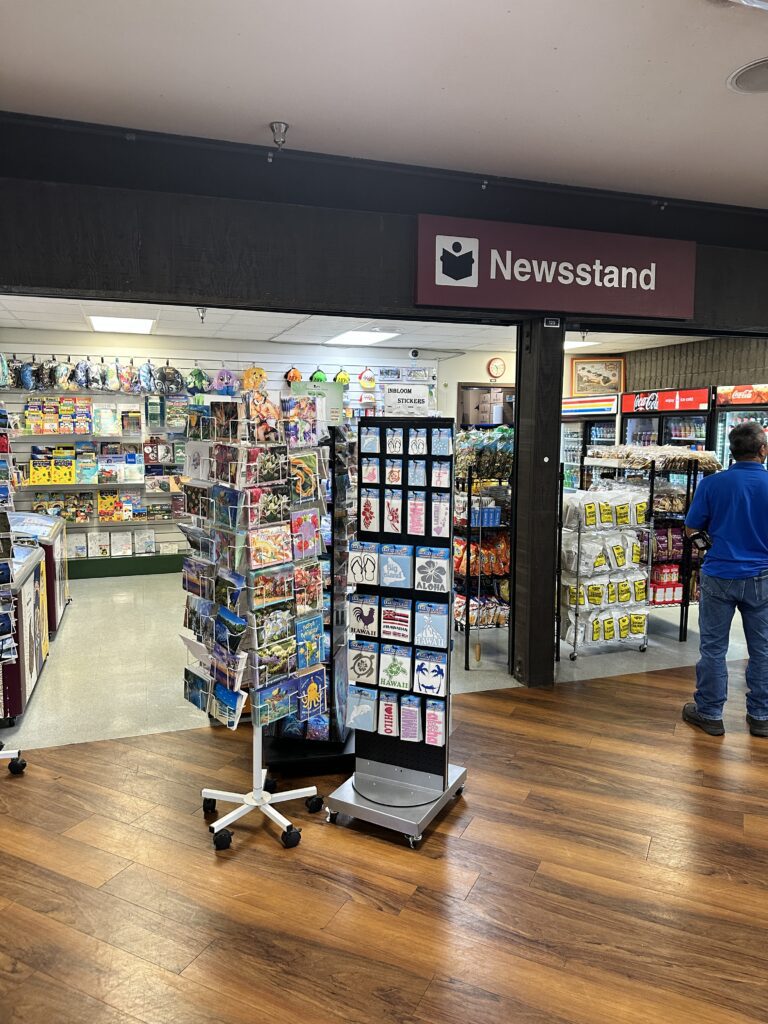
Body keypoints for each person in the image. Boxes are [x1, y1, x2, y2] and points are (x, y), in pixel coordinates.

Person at [682, 421, 768, 737]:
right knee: (763, 649)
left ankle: (709, 713)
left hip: (719, 574)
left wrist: (710, 547)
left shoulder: (711, 485)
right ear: (763, 449)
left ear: (731, 451)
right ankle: (761, 715)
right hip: (763, 576)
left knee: (713, 648)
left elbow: (692, 530)